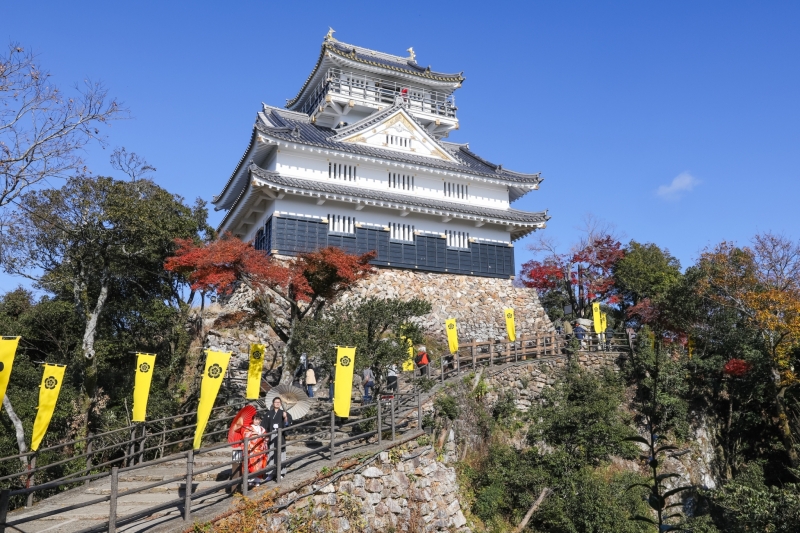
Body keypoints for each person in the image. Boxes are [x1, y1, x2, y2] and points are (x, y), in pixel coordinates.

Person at [265, 397, 292, 480]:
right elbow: (264, 425)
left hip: (280, 435)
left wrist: (285, 418)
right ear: (273, 403)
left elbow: (287, 424)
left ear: (280, 404)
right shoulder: (269, 413)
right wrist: (265, 436)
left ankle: (281, 472)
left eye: (279, 402)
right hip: (271, 435)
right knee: (271, 454)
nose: (277, 403)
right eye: (275, 402)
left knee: (281, 453)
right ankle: (270, 473)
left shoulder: (284, 413)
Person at [242, 414, 267, 486]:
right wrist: (252, 433)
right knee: (251, 465)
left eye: (258, 419)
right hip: (252, 449)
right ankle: (250, 480)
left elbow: (266, 437)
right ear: (253, 420)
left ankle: (258, 480)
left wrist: (263, 437)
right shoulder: (248, 428)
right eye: (255, 419)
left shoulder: (262, 429)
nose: (256, 421)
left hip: (260, 449)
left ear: (260, 420)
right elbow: (245, 436)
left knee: (259, 465)